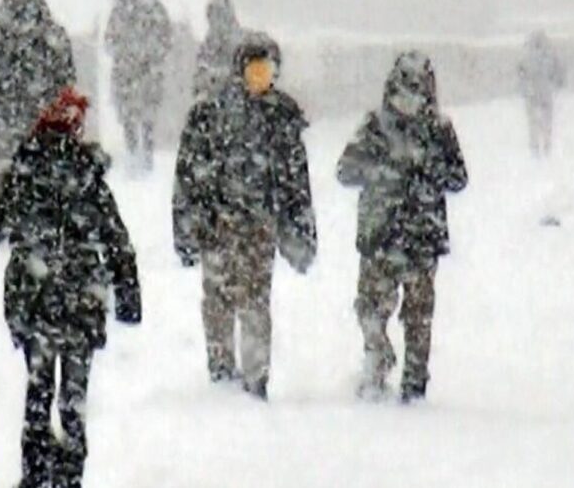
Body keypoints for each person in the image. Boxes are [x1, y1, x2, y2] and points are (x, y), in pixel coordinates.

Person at [0, 87, 142, 488]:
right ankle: (69, 473)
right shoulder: (88, 176)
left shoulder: (23, 172)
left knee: (38, 388)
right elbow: (116, 238)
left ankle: (34, 473)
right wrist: (128, 293)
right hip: (82, 300)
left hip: (33, 301)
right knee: (74, 397)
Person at [172, 30, 316, 400]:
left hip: (258, 229)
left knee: (254, 302)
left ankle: (255, 379)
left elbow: (295, 182)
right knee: (217, 300)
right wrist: (187, 227)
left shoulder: (281, 117)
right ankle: (221, 372)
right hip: (217, 224)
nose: (260, 80)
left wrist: (300, 230)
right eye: (254, 72)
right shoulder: (210, 114)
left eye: (267, 72)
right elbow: (188, 176)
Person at [337, 51, 468, 403]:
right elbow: (345, 170)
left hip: (421, 238)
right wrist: (382, 170)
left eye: (418, 91)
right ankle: (377, 362)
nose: (410, 99)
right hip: (380, 236)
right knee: (369, 309)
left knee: (418, 316)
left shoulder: (440, 130)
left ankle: (414, 382)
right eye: (404, 90)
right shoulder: (374, 126)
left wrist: (426, 172)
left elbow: (458, 178)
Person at [0, 0, 76, 171]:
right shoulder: (54, 36)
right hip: (43, 127)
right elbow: (68, 78)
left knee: (7, 188)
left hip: (10, 124)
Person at [105, 0, 173, 171]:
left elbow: (164, 38)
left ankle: (143, 155)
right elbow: (110, 40)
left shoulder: (150, 11)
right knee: (133, 116)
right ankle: (135, 154)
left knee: (143, 116)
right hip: (133, 73)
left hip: (141, 73)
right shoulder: (121, 12)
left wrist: (140, 55)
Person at [517, 30, 565, 157]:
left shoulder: (525, 57)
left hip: (532, 93)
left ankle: (535, 148)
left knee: (533, 123)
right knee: (546, 122)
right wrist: (558, 84)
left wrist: (523, 90)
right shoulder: (550, 56)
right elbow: (558, 73)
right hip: (545, 93)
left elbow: (521, 75)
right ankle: (546, 146)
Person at [193, 0, 242, 102]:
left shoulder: (242, 43)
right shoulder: (206, 47)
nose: (218, 23)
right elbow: (199, 76)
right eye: (214, 17)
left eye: (221, 16)